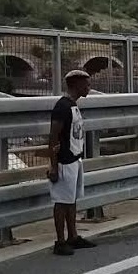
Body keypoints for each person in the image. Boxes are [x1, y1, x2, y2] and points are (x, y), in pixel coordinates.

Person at [47, 70, 97, 256]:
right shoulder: (62, 106)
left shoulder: (73, 105)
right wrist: (53, 165)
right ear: (76, 84)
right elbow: (52, 138)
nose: (89, 88)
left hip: (75, 159)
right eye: (87, 84)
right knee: (61, 202)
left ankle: (73, 236)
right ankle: (60, 241)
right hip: (64, 162)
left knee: (72, 200)